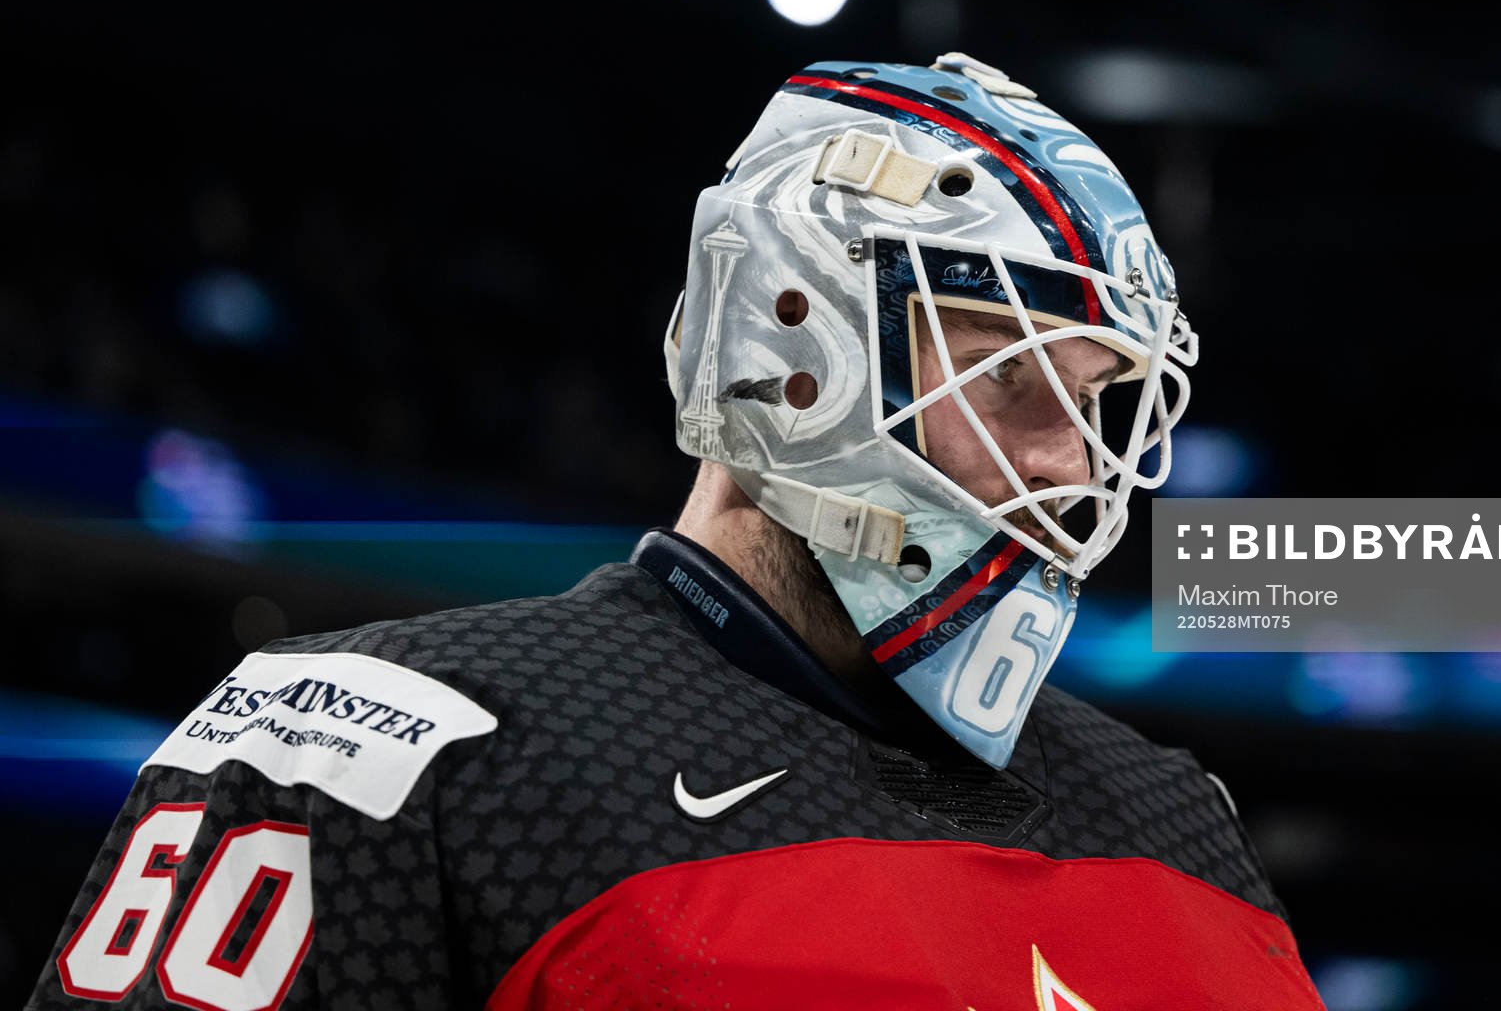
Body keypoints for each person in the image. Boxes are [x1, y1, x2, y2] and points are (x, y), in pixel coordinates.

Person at [29, 54, 1325, 1009]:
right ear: (790, 336)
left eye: (1100, 401)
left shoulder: (1173, 812)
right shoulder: (381, 748)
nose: (1068, 464)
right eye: (1009, 378)